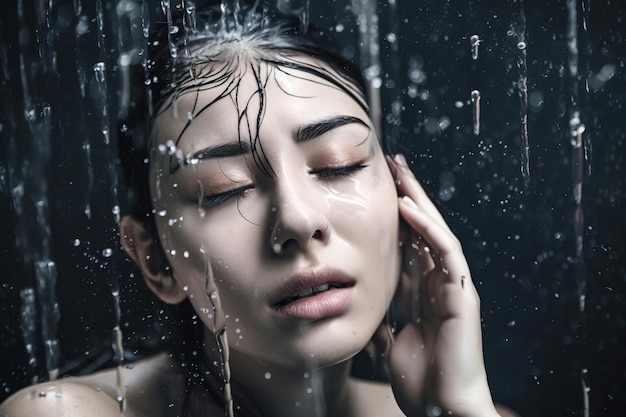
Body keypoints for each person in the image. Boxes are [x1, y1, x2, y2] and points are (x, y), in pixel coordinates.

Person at [1, 2, 519, 416]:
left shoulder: (468, 409)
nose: (298, 219)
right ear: (156, 259)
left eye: (338, 165)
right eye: (223, 189)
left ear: (403, 197)